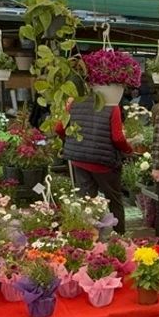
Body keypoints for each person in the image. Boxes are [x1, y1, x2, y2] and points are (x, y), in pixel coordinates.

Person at [56, 96, 134, 234]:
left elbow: (59, 128)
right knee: (114, 201)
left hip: (79, 159)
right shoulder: (112, 105)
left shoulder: (74, 102)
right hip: (104, 162)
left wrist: (73, 142)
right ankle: (119, 237)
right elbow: (118, 137)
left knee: (87, 202)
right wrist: (128, 149)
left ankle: (89, 239)